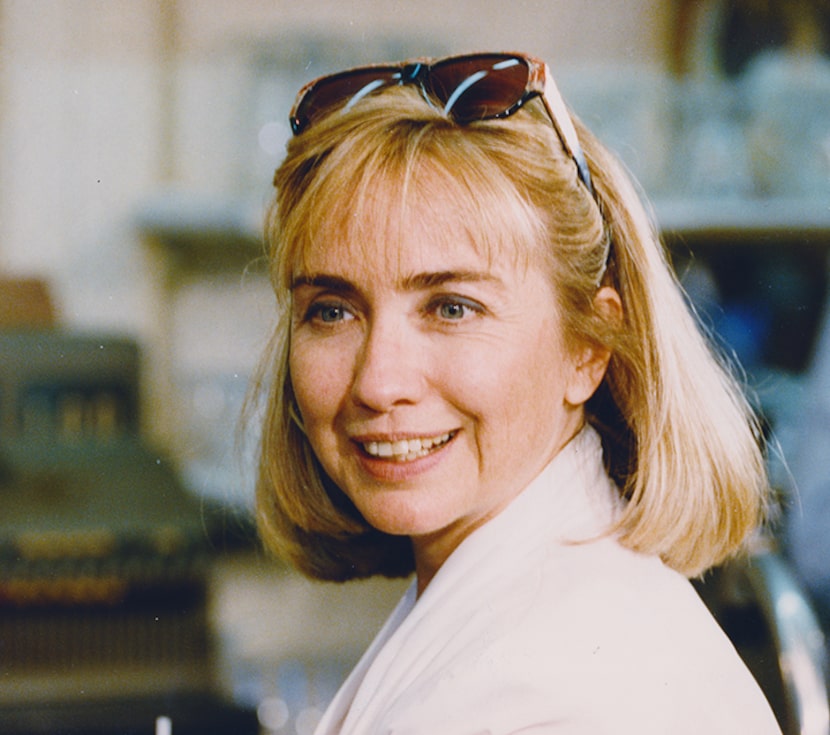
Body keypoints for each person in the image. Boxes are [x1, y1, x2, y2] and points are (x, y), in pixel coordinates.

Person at [254, 52, 782, 734]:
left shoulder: (547, 697)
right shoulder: (514, 604)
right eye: (331, 310)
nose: (379, 381)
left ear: (589, 346)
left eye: (451, 308)